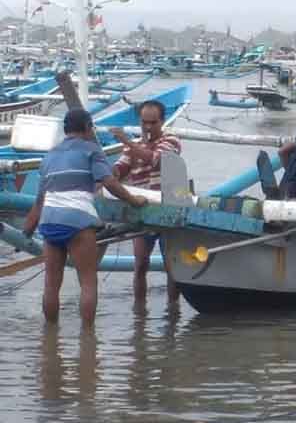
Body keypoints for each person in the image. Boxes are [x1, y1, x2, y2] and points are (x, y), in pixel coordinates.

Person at [22, 109, 147, 327]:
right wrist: (133, 200)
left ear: (66, 130)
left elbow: (39, 202)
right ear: (88, 128)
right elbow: (109, 182)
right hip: (78, 222)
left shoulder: (49, 156)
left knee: (51, 285)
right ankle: (88, 338)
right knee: (88, 282)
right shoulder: (92, 150)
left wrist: (27, 232)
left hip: (50, 222)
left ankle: (50, 338)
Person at [110, 100, 183, 306]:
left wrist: (128, 143)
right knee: (140, 264)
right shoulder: (132, 146)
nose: (148, 127)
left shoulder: (172, 140)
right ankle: (139, 315)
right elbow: (119, 169)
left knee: (172, 267)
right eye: (144, 122)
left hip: (168, 210)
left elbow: (157, 159)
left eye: (153, 122)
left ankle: (173, 310)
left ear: (162, 121)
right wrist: (107, 172)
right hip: (142, 210)